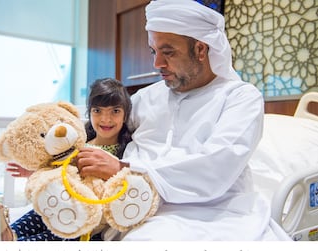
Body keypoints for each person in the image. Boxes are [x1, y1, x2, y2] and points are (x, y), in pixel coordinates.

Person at [75, 0, 291, 241]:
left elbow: (216, 167)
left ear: (200, 49)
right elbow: (102, 126)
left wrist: (124, 169)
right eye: (153, 52)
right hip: (132, 208)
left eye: (168, 52)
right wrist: (52, 151)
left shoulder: (239, 98)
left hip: (214, 215)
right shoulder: (145, 98)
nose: (157, 64)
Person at [0, 77, 132, 241]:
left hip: (87, 219)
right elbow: (58, 168)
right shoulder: (78, 142)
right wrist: (33, 172)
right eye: (97, 111)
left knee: (57, 234)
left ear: (125, 115)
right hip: (62, 201)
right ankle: (6, 234)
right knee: (41, 210)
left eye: (115, 111)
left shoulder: (127, 150)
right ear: (89, 112)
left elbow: (129, 176)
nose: (106, 119)